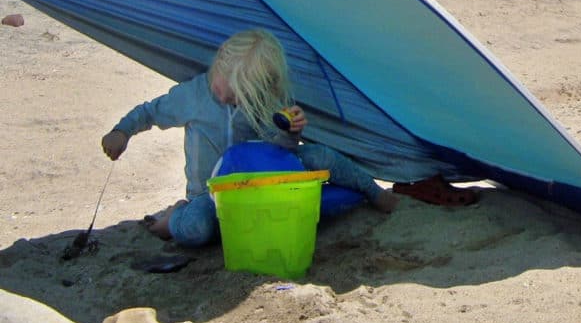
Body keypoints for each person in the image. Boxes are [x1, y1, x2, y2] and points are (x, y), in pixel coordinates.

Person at [100, 28, 398, 247]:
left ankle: (373, 192)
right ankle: (173, 217)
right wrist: (122, 131)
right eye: (221, 90)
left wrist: (292, 132)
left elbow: (283, 153)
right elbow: (150, 112)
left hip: (264, 183)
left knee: (320, 156)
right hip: (213, 193)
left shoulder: (270, 101)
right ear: (218, 63)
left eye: (238, 98)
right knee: (197, 230)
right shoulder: (193, 95)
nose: (225, 98)